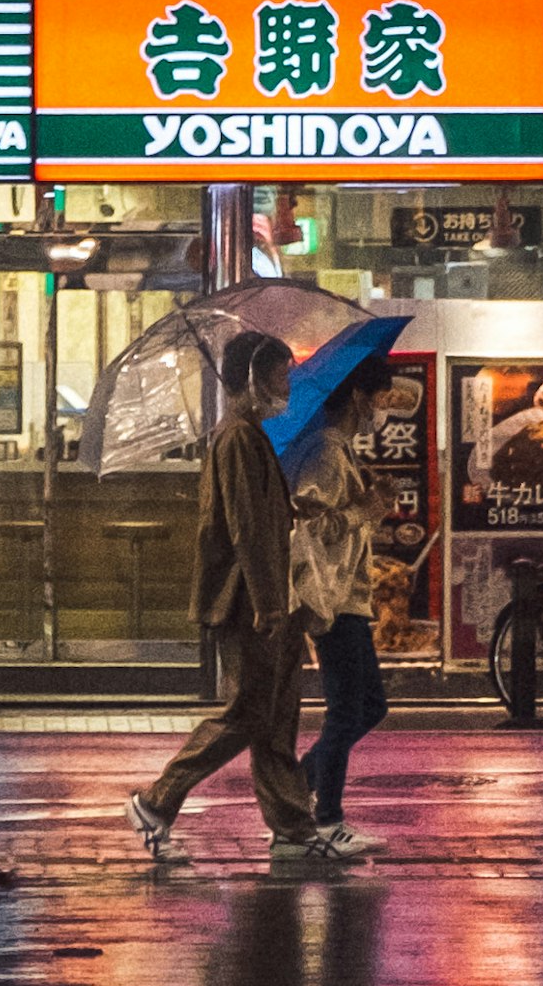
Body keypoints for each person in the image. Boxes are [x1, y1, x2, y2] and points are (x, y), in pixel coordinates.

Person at [129, 330, 326, 870]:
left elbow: (261, 516)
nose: (286, 384)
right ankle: (156, 800)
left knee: (279, 712)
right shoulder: (237, 438)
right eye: (279, 374)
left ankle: (292, 825)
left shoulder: (251, 434)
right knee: (248, 711)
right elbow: (245, 528)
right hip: (246, 602)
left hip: (264, 597)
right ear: (251, 378)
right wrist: (269, 604)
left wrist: (293, 510)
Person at [288, 430, 386, 856]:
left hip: (352, 597)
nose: (381, 408)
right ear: (361, 395)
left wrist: (374, 502)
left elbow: (352, 525)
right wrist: (361, 510)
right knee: (346, 712)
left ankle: (297, 786)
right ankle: (327, 820)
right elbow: (312, 526)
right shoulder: (326, 452)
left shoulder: (342, 450)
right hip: (333, 599)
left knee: (370, 706)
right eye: (379, 395)